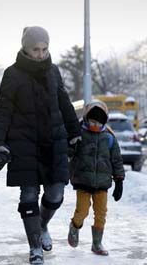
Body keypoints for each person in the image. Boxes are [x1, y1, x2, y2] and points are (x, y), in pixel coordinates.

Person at [0, 26, 81, 264]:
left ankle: (42, 225)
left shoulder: (53, 71)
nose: (40, 54)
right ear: (25, 48)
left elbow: (65, 103)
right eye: (36, 49)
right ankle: (34, 247)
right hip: (24, 142)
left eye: (44, 49)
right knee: (28, 195)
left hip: (54, 141)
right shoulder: (12, 74)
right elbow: (3, 110)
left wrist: (74, 133)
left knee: (56, 193)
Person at [67, 99, 125, 256]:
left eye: (99, 123)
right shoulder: (78, 133)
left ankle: (97, 243)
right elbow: (69, 155)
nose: (95, 125)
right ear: (86, 118)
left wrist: (119, 180)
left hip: (102, 183)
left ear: (104, 121)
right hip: (83, 181)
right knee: (82, 211)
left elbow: (116, 159)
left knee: (101, 214)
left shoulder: (109, 137)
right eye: (92, 121)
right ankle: (75, 226)